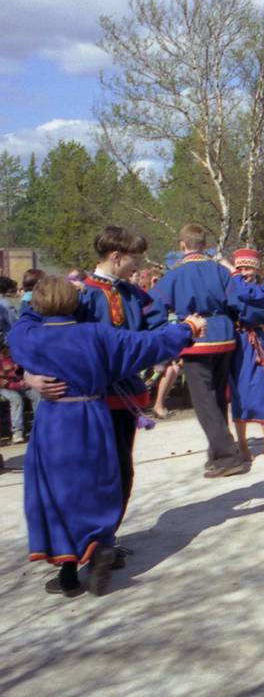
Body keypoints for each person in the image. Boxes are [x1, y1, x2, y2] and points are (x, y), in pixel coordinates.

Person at [9, 276, 204, 598]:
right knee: (97, 486)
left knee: (57, 493)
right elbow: (148, 345)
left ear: (39, 304)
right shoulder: (97, 334)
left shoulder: (29, 337)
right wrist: (188, 329)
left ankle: (69, 573)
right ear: (76, 303)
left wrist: (39, 302)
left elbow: (21, 324)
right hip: (92, 417)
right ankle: (100, 546)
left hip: (54, 422)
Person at [77, 225, 166, 530]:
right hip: (89, 398)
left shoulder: (132, 293)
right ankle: (95, 542)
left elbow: (157, 323)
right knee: (100, 471)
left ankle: (107, 538)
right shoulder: (81, 295)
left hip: (125, 394)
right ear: (116, 256)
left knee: (122, 469)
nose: (139, 265)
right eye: (134, 258)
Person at [148, 224, 246, 478]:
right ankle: (217, 453)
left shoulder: (174, 274)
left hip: (195, 337)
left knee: (204, 401)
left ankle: (227, 456)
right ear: (204, 244)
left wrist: (168, 333)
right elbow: (236, 302)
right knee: (217, 398)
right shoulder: (219, 270)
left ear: (182, 245)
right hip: (224, 336)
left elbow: (154, 306)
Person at [227, 249, 264, 466]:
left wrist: (234, 278)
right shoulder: (231, 287)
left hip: (258, 343)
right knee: (240, 393)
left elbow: (248, 298)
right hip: (239, 344)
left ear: (257, 269)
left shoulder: (262, 290)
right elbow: (235, 303)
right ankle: (242, 443)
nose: (244, 273)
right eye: (240, 268)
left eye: (248, 268)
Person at [1, 345, 38, 442]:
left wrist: (27, 381)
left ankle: (40, 427)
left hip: (20, 384)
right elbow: (3, 382)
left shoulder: (17, 356)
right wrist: (19, 385)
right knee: (16, 399)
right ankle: (17, 432)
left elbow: (25, 371)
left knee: (36, 394)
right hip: (5, 387)